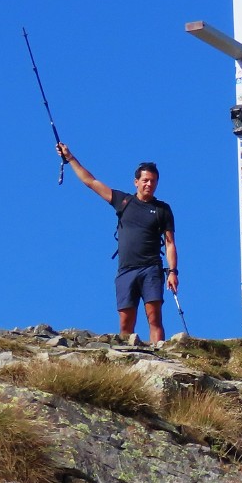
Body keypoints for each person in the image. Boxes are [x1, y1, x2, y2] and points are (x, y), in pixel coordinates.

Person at [57, 143, 179, 343]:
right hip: (126, 270)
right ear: (136, 182)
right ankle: (127, 355)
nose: (149, 184)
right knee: (125, 321)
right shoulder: (124, 201)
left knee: (154, 316)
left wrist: (173, 272)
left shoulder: (163, 209)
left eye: (153, 181)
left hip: (151, 268)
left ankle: (159, 352)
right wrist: (70, 158)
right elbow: (91, 182)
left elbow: (170, 243)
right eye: (146, 180)